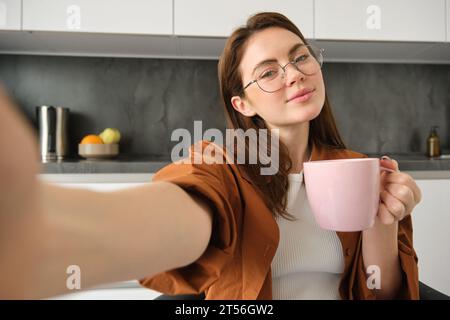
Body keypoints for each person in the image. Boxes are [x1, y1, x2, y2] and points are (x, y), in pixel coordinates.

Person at [0, 12, 421, 300]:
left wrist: (383, 220)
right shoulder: (222, 164)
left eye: (300, 56)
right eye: (269, 71)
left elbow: (381, 291)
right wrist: (32, 232)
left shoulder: (359, 168)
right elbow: (184, 209)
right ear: (244, 105)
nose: (294, 73)